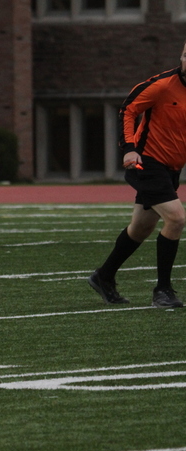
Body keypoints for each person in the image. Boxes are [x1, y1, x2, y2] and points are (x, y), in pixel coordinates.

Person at [88, 41, 186, 309]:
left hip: (172, 169)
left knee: (141, 228)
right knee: (176, 218)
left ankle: (103, 276)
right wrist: (129, 149)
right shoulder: (162, 85)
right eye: (185, 55)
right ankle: (163, 290)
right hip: (147, 163)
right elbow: (128, 109)